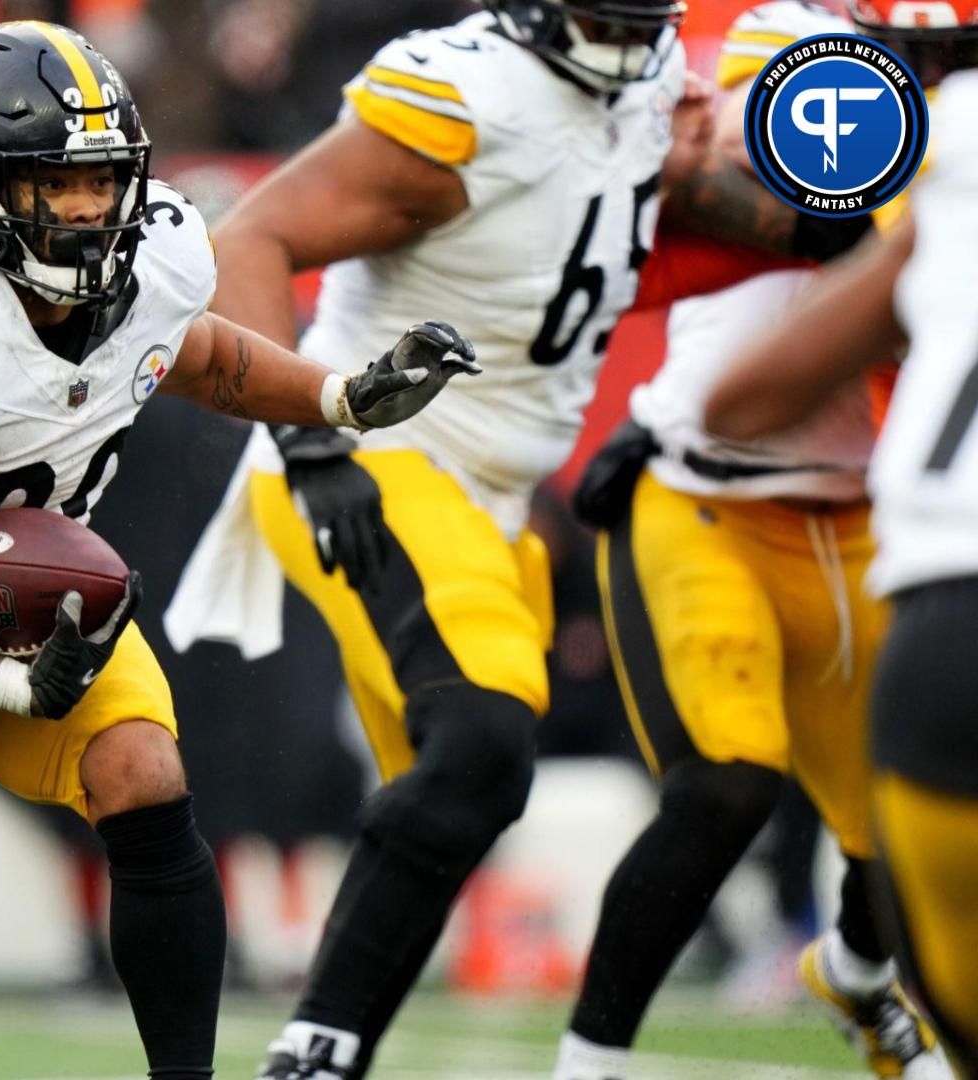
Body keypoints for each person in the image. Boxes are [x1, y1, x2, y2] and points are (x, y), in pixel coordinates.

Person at [0, 22, 479, 1080]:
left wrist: (338, 395)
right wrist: (12, 690)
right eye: (52, 187)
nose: (87, 210)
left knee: (143, 772)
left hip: (42, 604)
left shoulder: (149, 254)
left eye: (103, 181)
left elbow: (185, 350)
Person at [154, 0, 743, 1074]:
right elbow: (249, 237)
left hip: (496, 496)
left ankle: (335, 1046)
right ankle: (312, 1056)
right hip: (379, 454)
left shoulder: (659, 90)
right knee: (482, 745)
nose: (621, 35)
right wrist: (314, 440)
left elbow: (729, 226)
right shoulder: (470, 93)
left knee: (466, 792)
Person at [551, 5, 953, 1077]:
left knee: (910, 831)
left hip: (861, 521)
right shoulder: (789, 101)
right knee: (725, 784)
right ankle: (589, 1063)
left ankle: (861, 977)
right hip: (707, 499)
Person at [698, 64, 978, 1080]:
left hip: (941, 605)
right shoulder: (822, 89)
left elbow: (739, 397)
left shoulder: (958, 134)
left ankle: (860, 967)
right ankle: (856, 965)